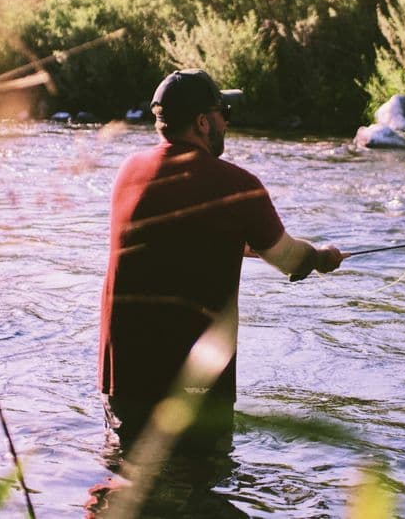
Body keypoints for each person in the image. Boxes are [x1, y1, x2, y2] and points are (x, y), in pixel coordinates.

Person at [97, 68, 346, 454]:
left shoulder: (129, 172)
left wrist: (243, 245)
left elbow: (176, 237)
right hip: (195, 386)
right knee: (202, 488)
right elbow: (291, 260)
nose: (226, 123)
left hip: (124, 378)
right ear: (202, 122)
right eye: (222, 113)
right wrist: (321, 256)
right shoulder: (237, 185)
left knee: (126, 484)